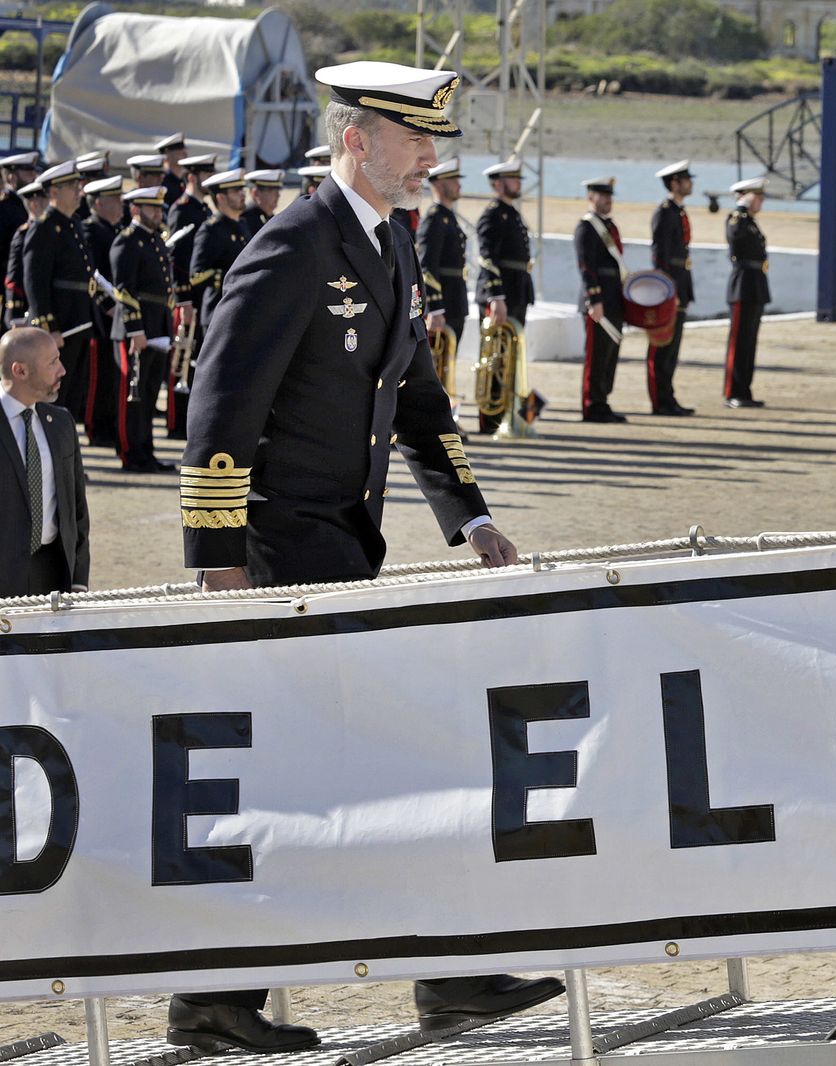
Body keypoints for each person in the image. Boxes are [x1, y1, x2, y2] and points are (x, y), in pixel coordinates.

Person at [172, 60, 564, 1052]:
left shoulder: (392, 241)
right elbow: (220, 403)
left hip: (344, 545)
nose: (431, 155)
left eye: (433, 139)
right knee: (324, 769)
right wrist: (218, 561)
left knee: (354, 763)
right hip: (281, 552)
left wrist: (470, 517)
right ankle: (223, 998)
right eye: (413, 138)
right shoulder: (295, 244)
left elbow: (416, 399)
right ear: (355, 140)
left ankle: (438, 975)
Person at [0, 326, 88, 598]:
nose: (62, 370)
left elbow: (77, 509)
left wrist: (78, 580)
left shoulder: (61, 422)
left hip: (52, 577)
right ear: (20, 371)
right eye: (52, 363)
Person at [22, 160, 98, 424]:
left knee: (74, 393)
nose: (80, 191)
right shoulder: (44, 227)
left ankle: (67, 459)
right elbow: (35, 281)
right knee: (53, 395)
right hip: (60, 326)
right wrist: (49, 325)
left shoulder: (73, 224)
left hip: (79, 318)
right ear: (53, 192)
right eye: (72, 186)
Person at [109, 185, 176, 473]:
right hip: (135, 330)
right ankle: (130, 453)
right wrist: (135, 329)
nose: (158, 213)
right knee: (132, 396)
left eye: (160, 208)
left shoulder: (154, 241)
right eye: (152, 208)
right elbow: (124, 291)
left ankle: (146, 451)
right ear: (135, 210)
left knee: (149, 395)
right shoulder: (127, 241)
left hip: (157, 324)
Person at [475, 158, 535, 432]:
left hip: (517, 290)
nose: (518, 184)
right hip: (502, 293)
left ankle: (509, 412)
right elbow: (487, 258)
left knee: (511, 357)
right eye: (513, 179)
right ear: (498, 184)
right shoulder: (493, 214)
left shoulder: (510, 213)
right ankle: (492, 418)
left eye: (519, 179)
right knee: (496, 358)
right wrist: (495, 296)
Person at [165, 154, 214, 438]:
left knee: (195, 360)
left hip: (201, 297)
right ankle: (175, 421)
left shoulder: (203, 210)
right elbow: (176, 258)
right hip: (188, 300)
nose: (210, 178)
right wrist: (183, 300)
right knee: (181, 360)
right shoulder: (182, 210)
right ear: (192, 176)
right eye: (205, 173)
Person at [419, 157, 468, 425]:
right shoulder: (435, 219)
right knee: (438, 367)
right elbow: (427, 267)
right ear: (438, 184)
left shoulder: (448, 218)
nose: (458, 185)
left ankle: (445, 417)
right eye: (453, 180)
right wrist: (435, 308)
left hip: (455, 301)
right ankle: (436, 419)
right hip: (444, 305)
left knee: (447, 365)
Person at [575, 175, 626, 422]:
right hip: (598, 301)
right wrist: (594, 299)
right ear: (591, 197)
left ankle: (602, 400)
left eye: (609, 196)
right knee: (596, 355)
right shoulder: (587, 227)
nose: (607, 200)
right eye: (602, 196)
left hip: (614, 297)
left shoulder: (610, 226)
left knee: (609, 355)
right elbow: (586, 266)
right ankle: (592, 405)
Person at [648, 160, 695, 415]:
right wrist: (667, 290)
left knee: (673, 347)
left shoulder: (677, 211)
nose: (691, 184)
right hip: (671, 287)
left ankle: (669, 397)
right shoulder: (664, 212)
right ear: (675, 183)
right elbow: (660, 255)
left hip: (682, 282)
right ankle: (660, 400)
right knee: (662, 346)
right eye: (686, 179)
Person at [82, 173, 126, 447]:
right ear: (98, 203)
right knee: (98, 378)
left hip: (118, 313)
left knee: (112, 376)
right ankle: (96, 427)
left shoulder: (114, 230)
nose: (120, 204)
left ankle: (109, 424)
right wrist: (108, 306)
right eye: (114, 199)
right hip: (101, 315)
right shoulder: (90, 231)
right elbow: (92, 276)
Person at [724, 176, 769, 408]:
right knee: (739, 341)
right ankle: (733, 391)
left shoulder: (750, 221)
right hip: (742, 286)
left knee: (749, 342)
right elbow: (735, 236)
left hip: (756, 286)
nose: (761, 202)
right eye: (757, 197)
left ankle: (745, 390)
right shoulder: (737, 218)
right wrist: (741, 205)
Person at [190, 169, 250, 334]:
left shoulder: (243, 226)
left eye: (242, 189)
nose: (242, 194)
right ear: (220, 197)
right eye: (236, 191)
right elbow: (196, 276)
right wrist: (237, 277)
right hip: (218, 314)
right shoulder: (211, 230)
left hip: (242, 312)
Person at [5, 181, 46, 326]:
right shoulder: (25, 234)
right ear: (35, 205)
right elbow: (14, 277)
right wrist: (14, 315)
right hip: (29, 310)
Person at [0, 150, 39, 272]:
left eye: (33, 171)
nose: (33, 176)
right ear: (11, 178)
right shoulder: (4, 206)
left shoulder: (28, 204)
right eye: (27, 172)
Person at [240, 169, 284, 238]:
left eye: (278, 190)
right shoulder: (245, 220)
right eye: (272, 190)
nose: (278, 195)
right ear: (255, 193)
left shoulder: (271, 217)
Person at [156, 132, 186, 206]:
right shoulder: (162, 182)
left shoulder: (183, 181)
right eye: (179, 150)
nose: (185, 153)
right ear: (167, 154)